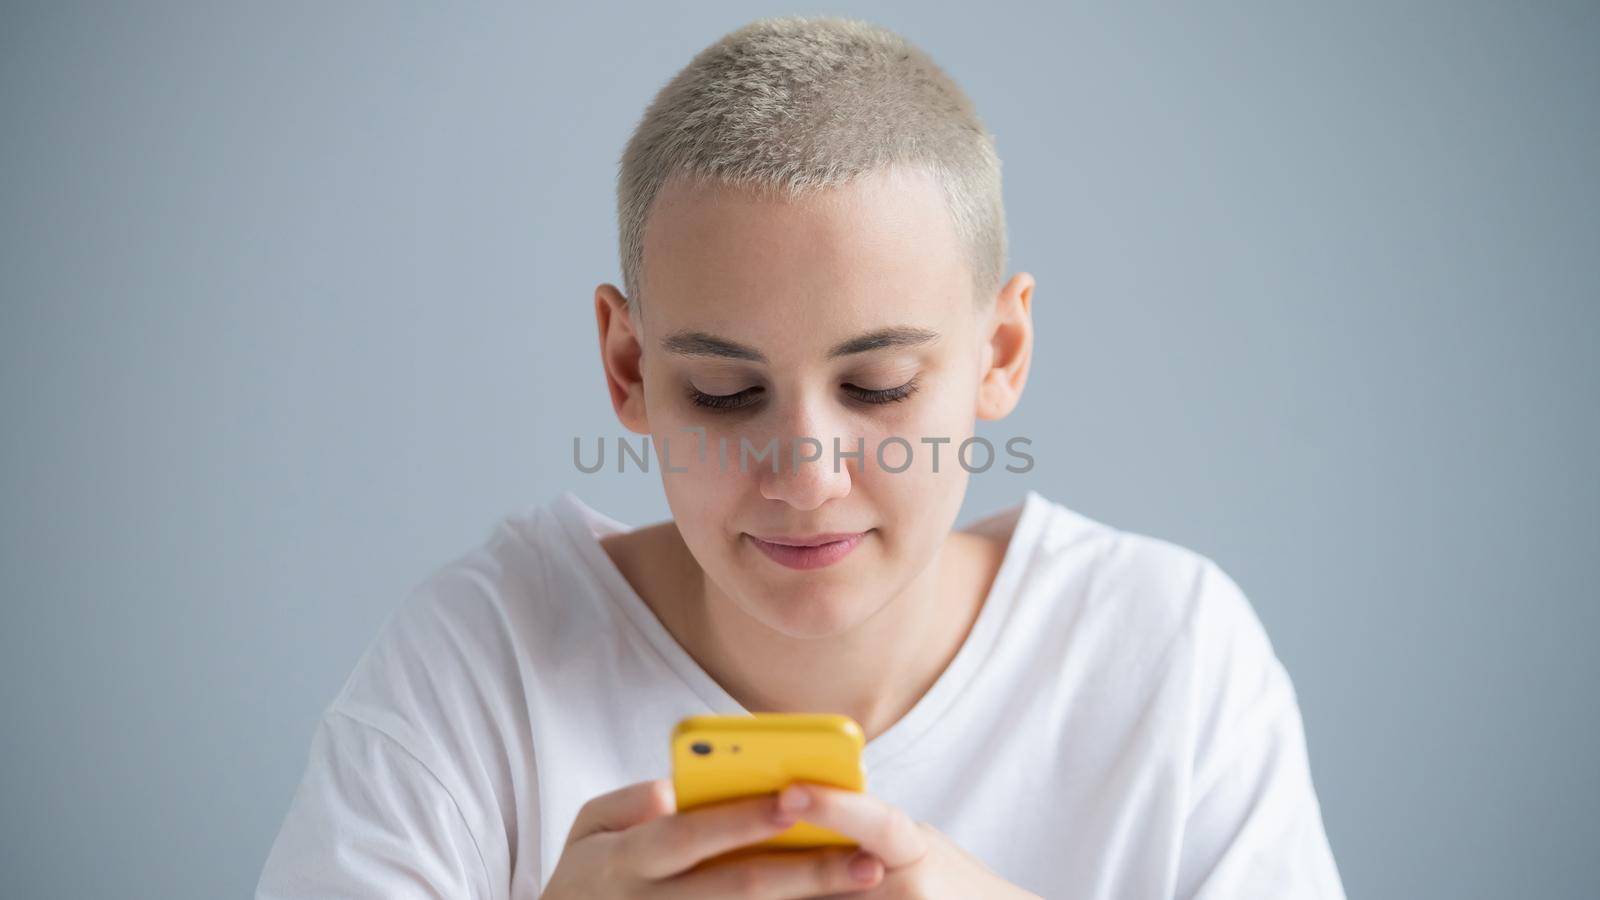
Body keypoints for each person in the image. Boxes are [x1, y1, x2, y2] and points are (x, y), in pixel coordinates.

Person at [257, 14, 1345, 899]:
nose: (807, 474)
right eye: (724, 392)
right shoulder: (476, 672)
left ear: (998, 354)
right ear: (626, 368)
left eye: (879, 387)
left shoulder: (1167, 658)